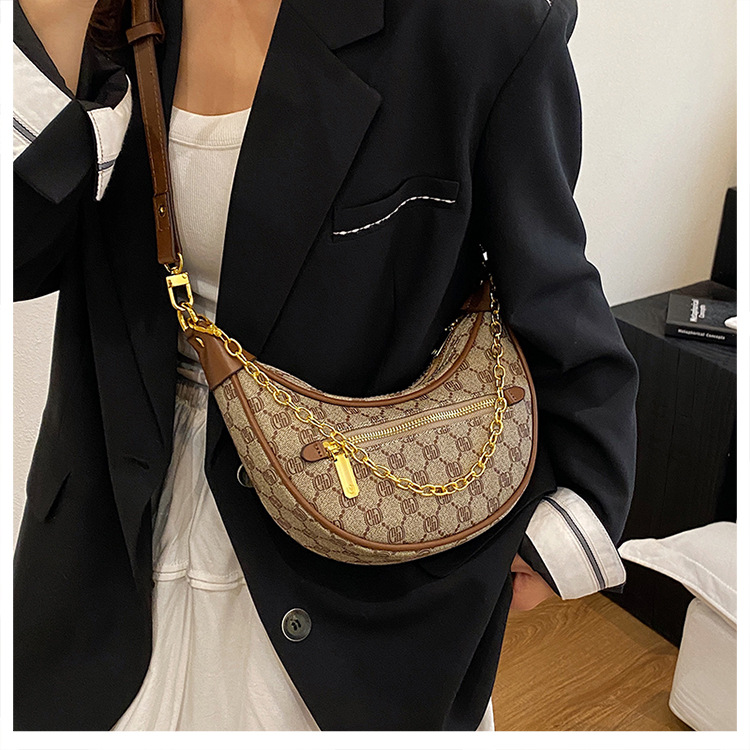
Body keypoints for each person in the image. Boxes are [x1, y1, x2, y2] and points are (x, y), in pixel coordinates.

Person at [13, 0, 639, 731]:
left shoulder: (478, 22)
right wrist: (53, 20)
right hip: (108, 540)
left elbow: (549, 279)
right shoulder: (111, 11)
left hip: (352, 564)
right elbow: (24, 257)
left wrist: (574, 510)